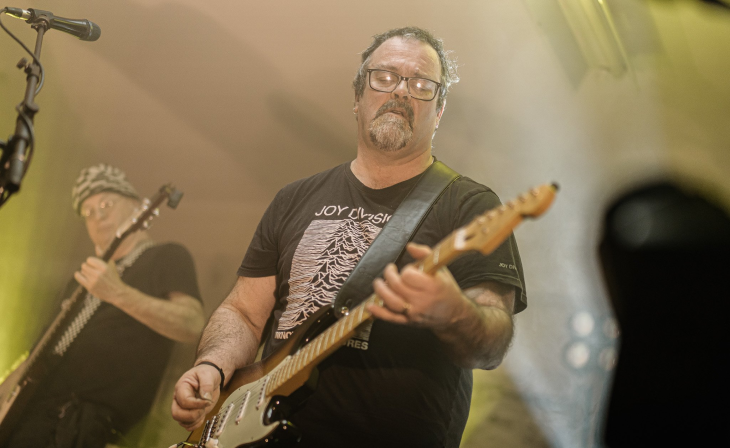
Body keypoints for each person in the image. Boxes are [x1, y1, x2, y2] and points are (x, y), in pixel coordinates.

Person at [171, 27, 526, 448]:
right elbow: (246, 313)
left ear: (440, 110)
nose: (400, 92)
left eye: (421, 85)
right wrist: (212, 365)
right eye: (384, 77)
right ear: (357, 98)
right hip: (252, 432)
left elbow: (491, 344)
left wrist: (454, 312)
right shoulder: (294, 197)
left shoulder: (469, 204)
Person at [5, 164, 206, 448]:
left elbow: (193, 324)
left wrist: (117, 292)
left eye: (106, 204)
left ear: (137, 206)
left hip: (87, 428)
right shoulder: (79, 280)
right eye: (88, 212)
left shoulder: (167, 256)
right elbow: (40, 350)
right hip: (28, 422)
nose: (98, 216)